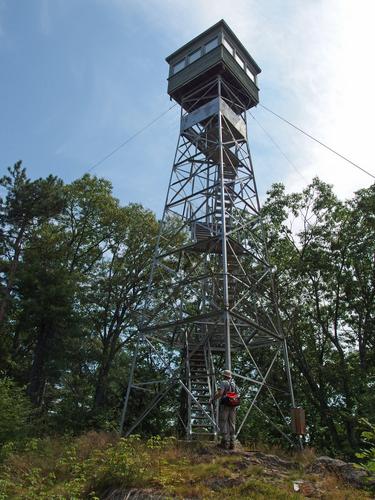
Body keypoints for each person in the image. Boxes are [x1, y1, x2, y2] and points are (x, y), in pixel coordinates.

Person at [210, 369, 238, 450]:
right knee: (232, 423)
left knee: (223, 422)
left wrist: (213, 399)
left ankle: (225, 442)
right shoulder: (234, 384)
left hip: (225, 405)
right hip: (233, 406)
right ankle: (232, 442)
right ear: (230, 376)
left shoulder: (223, 382)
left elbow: (220, 393)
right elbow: (237, 394)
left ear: (224, 376)